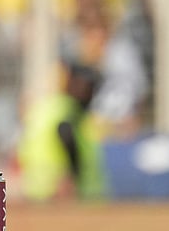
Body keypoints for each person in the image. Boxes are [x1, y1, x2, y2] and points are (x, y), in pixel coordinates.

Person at [17, 62, 107, 201]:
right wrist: (72, 176)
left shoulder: (42, 108)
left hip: (38, 190)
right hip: (65, 193)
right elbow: (65, 132)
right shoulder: (68, 108)